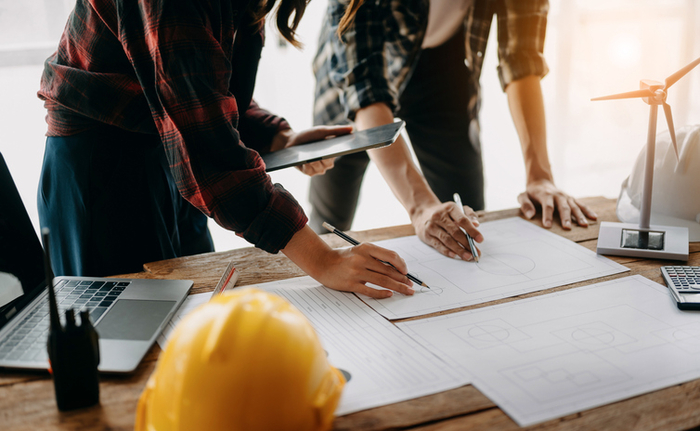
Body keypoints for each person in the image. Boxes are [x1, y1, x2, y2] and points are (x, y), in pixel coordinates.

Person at [36, 0, 413, 299]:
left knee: (192, 311)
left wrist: (280, 138)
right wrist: (323, 259)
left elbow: (200, 88)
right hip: (101, 170)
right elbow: (209, 153)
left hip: (173, 157)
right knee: (124, 345)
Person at [308, 0, 598, 260]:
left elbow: (521, 59)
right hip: (354, 73)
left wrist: (540, 177)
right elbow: (365, 91)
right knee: (330, 214)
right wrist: (420, 207)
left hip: (443, 69)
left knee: (464, 222)